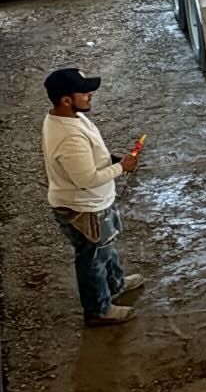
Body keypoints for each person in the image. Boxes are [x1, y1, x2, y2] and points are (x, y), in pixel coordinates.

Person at [42, 66, 145, 327]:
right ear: (66, 100)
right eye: (84, 92)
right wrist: (122, 167)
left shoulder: (69, 117)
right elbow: (86, 180)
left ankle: (116, 284)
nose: (90, 95)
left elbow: (90, 160)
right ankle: (98, 310)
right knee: (93, 259)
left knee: (105, 248)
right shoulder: (68, 138)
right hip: (83, 208)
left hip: (93, 204)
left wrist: (113, 160)